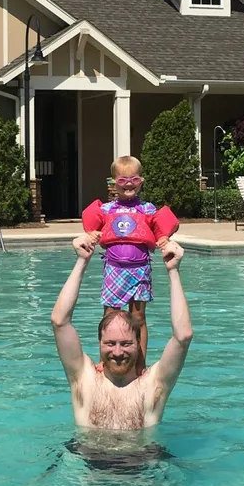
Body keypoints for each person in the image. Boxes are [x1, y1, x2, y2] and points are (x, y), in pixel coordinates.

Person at [51, 233, 193, 433]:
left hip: (143, 462)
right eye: (110, 343)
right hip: (88, 461)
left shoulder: (153, 385)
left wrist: (173, 271)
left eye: (126, 344)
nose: (117, 352)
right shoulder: (84, 379)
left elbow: (183, 336)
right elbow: (59, 322)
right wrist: (82, 261)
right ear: (99, 343)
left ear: (139, 343)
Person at [77, 156, 180, 364]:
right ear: (113, 183)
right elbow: (93, 231)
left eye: (134, 179)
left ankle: (140, 363)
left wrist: (163, 238)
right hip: (114, 269)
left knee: (139, 318)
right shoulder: (106, 210)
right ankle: (105, 363)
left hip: (140, 269)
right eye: (123, 180)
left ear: (140, 181)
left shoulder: (148, 209)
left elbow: (160, 232)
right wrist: (93, 235)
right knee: (110, 318)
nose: (129, 184)